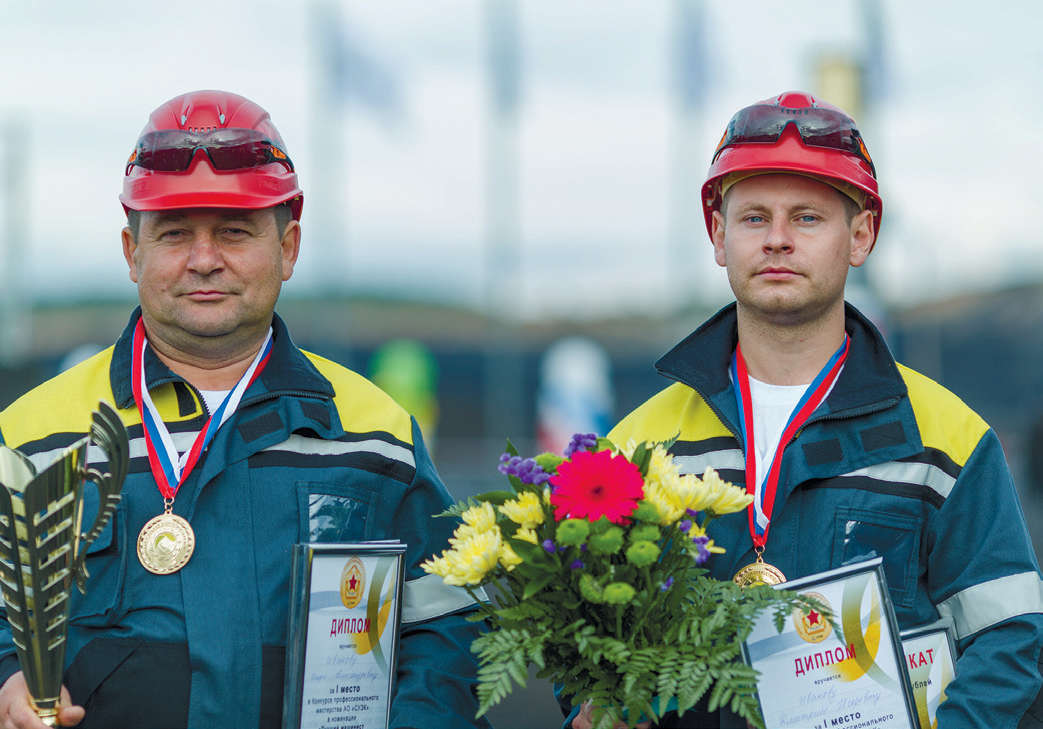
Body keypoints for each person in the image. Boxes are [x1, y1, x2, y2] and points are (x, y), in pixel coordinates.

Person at [0, 90, 489, 729]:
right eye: (175, 234)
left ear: (288, 247)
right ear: (132, 252)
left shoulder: (375, 436)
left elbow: (446, 628)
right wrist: (8, 682)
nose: (205, 260)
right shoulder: (34, 438)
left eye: (234, 231)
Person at [589, 91, 1043, 728]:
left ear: (860, 236)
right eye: (752, 219)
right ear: (718, 236)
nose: (777, 240)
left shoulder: (947, 438)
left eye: (806, 218)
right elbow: (584, 646)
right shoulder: (635, 446)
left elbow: (1010, 636)